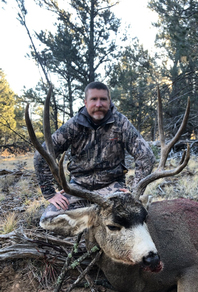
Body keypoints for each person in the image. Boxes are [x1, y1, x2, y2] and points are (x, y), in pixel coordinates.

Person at [34, 81, 155, 217]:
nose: (99, 104)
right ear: (85, 102)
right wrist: (50, 193)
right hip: (78, 188)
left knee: (129, 217)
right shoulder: (73, 126)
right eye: (94, 99)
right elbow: (42, 155)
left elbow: (146, 155)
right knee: (49, 220)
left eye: (103, 99)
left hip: (111, 187)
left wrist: (134, 192)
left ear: (109, 101)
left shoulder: (121, 123)